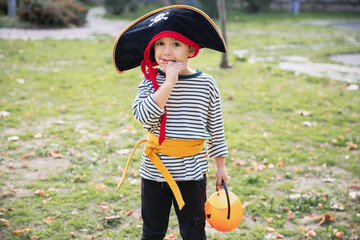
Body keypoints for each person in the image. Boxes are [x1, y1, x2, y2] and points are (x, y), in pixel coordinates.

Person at [113, 5, 229, 240]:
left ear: (191, 49)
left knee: (194, 231)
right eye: (160, 44)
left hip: (192, 173)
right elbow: (143, 117)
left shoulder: (206, 84)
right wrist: (167, 84)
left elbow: (215, 127)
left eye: (175, 44)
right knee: (153, 231)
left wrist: (220, 166)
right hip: (155, 172)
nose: (166, 52)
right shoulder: (150, 79)